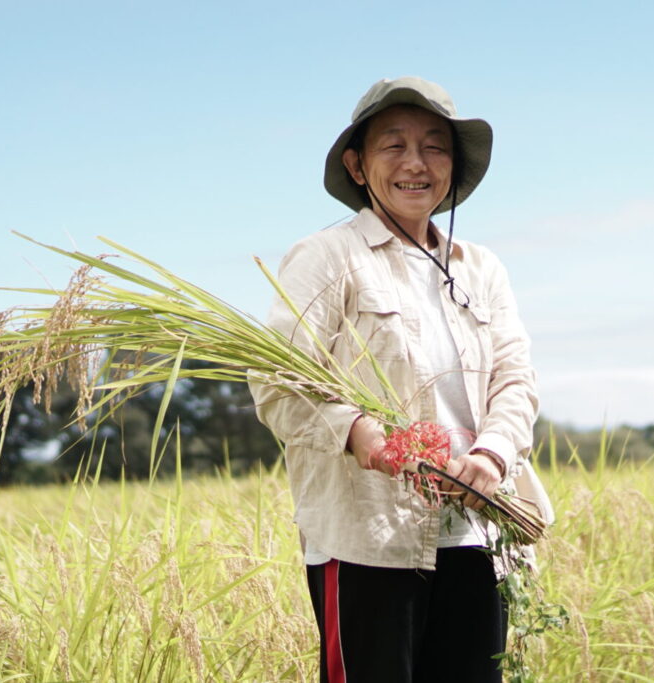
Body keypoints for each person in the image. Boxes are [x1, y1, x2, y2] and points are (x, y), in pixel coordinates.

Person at [248, 76, 539, 683]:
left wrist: (491, 454)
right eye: (394, 146)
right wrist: (358, 433)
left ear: (453, 167)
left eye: (435, 147)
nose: (416, 164)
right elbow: (278, 379)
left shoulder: (481, 268)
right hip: (367, 539)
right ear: (357, 165)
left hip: (477, 535)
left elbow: (515, 379)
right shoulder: (327, 257)